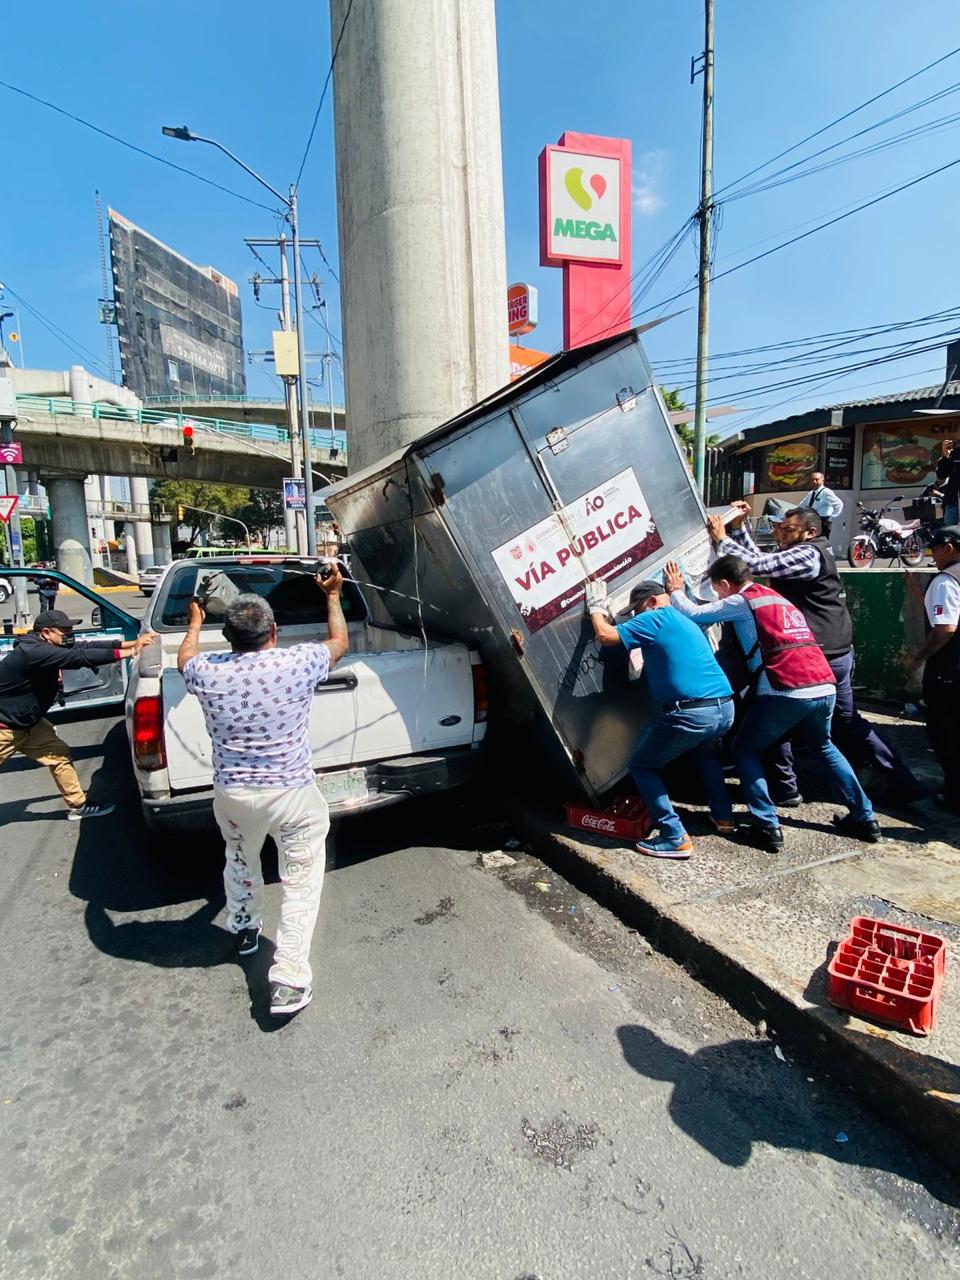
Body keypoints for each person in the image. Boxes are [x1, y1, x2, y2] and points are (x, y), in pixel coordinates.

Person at [178, 566, 349, 1017]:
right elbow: (340, 643)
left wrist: (194, 621)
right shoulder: (298, 662)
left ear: (226, 636)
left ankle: (244, 926)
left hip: (233, 796)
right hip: (292, 797)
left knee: (240, 859)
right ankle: (288, 978)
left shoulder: (206, 672)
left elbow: (184, 660)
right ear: (274, 632)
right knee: (300, 883)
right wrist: (332, 595)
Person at [710, 503, 925, 806]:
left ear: (810, 532)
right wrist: (738, 528)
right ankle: (891, 783)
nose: (781, 535)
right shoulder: (801, 552)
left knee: (781, 712)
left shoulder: (809, 553)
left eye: (788, 530)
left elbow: (757, 566)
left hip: (819, 655)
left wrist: (722, 539)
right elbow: (762, 559)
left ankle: (788, 789)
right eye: (780, 529)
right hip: (831, 652)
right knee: (835, 723)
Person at [666, 554, 879, 852]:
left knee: (744, 749)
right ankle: (865, 818)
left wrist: (676, 590)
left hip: (785, 688)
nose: (718, 597)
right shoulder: (775, 597)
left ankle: (766, 826)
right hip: (823, 683)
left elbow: (694, 614)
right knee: (824, 747)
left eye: (716, 590)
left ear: (726, 584)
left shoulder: (741, 601)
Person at [586, 578, 735, 860]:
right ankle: (724, 817)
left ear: (652, 601)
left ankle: (674, 836)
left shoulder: (655, 617)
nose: (636, 616)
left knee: (641, 764)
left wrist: (595, 608)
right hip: (724, 707)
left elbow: (606, 636)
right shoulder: (684, 620)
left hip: (692, 713)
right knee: (704, 753)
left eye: (637, 610)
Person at [0, 609, 157, 819]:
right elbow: (78, 657)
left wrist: (133, 643)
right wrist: (131, 652)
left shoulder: (47, 645)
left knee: (60, 755)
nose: (69, 635)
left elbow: (85, 646)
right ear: (46, 632)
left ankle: (79, 805)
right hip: (5, 728)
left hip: (29, 724)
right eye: (64, 631)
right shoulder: (33, 653)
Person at [904, 525, 960, 814]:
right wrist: (921, 593)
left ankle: (954, 795)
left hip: (949, 672)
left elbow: (945, 628)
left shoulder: (946, 580)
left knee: (946, 734)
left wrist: (918, 658)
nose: (931, 556)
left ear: (948, 548)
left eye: (933, 549)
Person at [800, 472, 844, 539]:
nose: (814, 481)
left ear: (822, 480)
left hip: (823, 521)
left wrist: (830, 518)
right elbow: (802, 505)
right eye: (812, 480)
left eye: (816, 479)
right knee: (812, 541)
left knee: (821, 541)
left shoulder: (826, 492)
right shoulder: (811, 493)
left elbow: (839, 504)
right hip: (812, 520)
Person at [935, 440, 960, 527]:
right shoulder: (954, 455)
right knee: (950, 530)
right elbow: (941, 475)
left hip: (953, 501)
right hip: (953, 501)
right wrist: (945, 456)